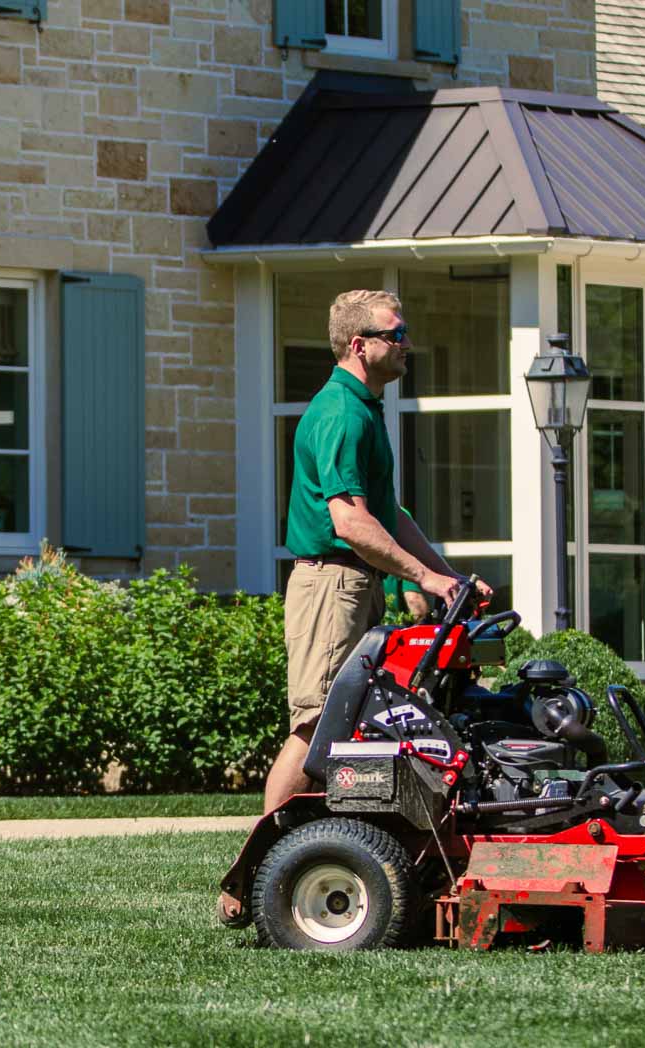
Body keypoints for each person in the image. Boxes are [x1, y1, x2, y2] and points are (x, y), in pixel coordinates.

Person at [219, 288, 492, 926]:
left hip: (355, 585)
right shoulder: (339, 413)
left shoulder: (366, 411)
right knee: (316, 726)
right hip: (329, 586)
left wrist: (447, 578)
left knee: (357, 730)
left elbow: (389, 516)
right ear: (359, 344)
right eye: (394, 334)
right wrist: (422, 573)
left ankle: (335, 853)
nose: (407, 344)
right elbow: (349, 522)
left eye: (405, 332)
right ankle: (252, 876)